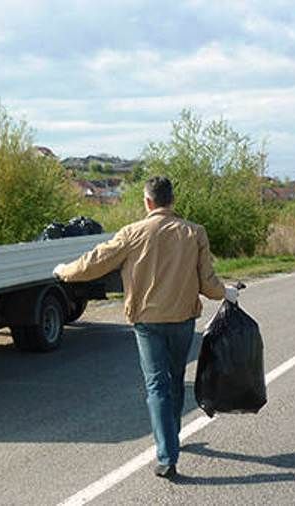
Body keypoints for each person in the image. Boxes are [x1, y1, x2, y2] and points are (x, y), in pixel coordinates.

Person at [53, 176, 238, 479]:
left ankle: (167, 455)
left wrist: (65, 272)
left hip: (147, 322)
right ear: (172, 200)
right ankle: (172, 438)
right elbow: (207, 282)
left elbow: (95, 262)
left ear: (148, 202)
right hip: (182, 319)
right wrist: (225, 292)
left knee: (156, 385)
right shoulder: (195, 233)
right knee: (175, 379)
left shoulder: (132, 233)